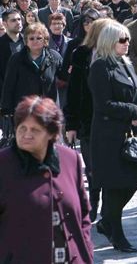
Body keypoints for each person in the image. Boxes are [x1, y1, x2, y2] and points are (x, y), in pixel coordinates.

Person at [0, 96, 93, 263]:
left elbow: (84, 215)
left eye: (34, 130)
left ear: (51, 133)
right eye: (22, 128)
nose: (26, 135)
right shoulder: (4, 165)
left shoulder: (70, 160)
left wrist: (85, 250)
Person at [88, 22, 137, 253]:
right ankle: (116, 232)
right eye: (122, 40)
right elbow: (103, 104)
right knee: (115, 185)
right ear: (109, 41)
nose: (127, 44)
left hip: (128, 131)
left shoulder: (125, 62)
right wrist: (132, 111)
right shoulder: (100, 66)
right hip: (108, 136)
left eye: (128, 40)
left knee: (133, 179)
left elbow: (135, 91)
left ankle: (107, 221)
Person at [65, 18, 116, 222]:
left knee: (110, 166)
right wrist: (71, 124)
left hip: (111, 120)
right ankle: (93, 202)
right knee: (93, 166)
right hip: (88, 120)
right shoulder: (81, 54)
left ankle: (109, 209)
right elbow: (74, 91)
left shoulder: (115, 54)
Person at [1, 22, 63, 116]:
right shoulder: (16, 59)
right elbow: (9, 85)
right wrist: (6, 109)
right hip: (24, 111)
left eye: (39, 38)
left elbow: (64, 77)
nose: (35, 41)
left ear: (45, 40)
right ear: (26, 41)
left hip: (48, 112)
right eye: (31, 38)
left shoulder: (55, 57)